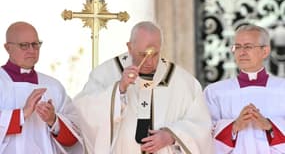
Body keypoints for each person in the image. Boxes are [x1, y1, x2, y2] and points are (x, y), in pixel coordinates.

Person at [74, 21, 213, 154]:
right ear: (129, 47)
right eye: (143, 55)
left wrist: (171, 136)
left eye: (155, 54)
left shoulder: (184, 82)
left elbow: (201, 125)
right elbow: (83, 112)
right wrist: (119, 90)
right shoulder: (105, 74)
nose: (150, 62)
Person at [0, 21, 84, 153]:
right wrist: (21, 114)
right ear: (7, 48)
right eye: (24, 45)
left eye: (35, 44)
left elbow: (74, 138)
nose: (32, 50)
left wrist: (53, 120)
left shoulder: (53, 86)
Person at [204, 24, 285, 154]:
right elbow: (203, 136)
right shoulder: (215, 92)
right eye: (237, 47)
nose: (242, 52)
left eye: (248, 47)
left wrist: (270, 126)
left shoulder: (282, 89)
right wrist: (234, 126)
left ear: (265, 51)